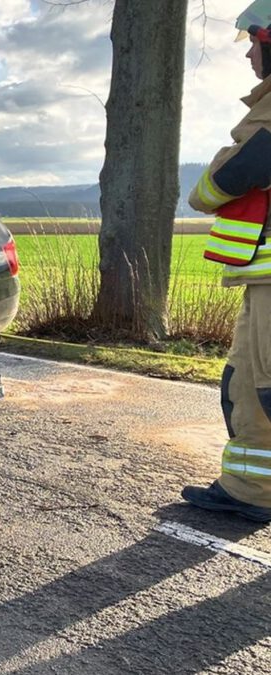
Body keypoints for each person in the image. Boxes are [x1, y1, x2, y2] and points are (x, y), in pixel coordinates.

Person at [182, 2, 271, 523]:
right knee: (246, 381)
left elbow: (232, 173)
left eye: (252, 43)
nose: (249, 57)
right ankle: (251, 489)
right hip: (259, 279)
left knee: (265, 384)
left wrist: (202, 189)